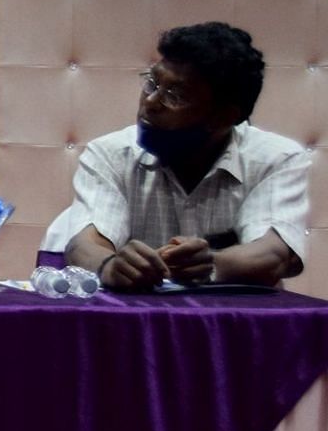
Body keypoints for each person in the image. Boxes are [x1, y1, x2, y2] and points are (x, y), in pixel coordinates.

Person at [43, 22, 308, 291]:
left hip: (236, 324)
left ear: (225, 116)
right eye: (152, 83)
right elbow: (83, 244)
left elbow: (275, 254)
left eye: (175, 95)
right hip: (135, 323)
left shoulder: (276, 158)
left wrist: (213, 265)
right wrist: (109, 265)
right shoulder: (111, 154)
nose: (150, 102)